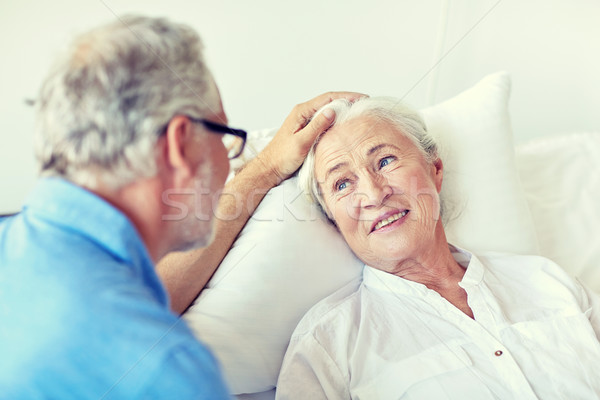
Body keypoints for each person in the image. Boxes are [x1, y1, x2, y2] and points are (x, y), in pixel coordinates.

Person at [0, 15, 362, 398]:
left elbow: (141, 295)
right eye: (224, 135)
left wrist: (268, 168)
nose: (228, 162)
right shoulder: (169, 373)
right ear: (180, 143)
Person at [275, 97, 600, 399]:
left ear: (435, 169)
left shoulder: (546, 280)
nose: (374, 195)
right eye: (342, 184)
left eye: (385, 160)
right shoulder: (328, 345)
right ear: (333, 219)